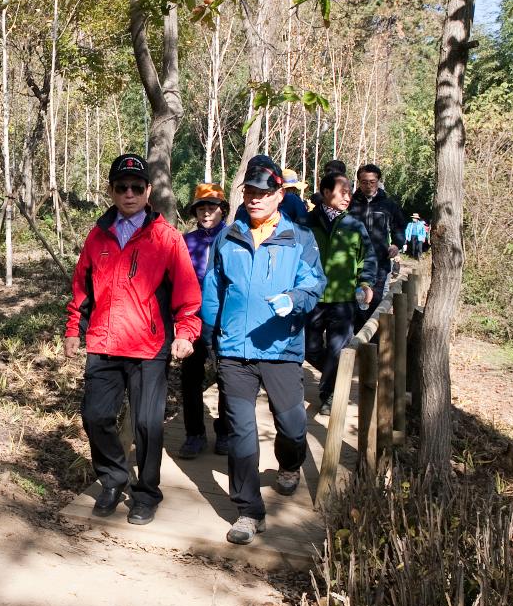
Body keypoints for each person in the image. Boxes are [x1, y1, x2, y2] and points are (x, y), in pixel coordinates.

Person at [65, 153, 203, 525]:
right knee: (95, 416)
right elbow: (81, 288)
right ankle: (112, 479)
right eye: (122, 187)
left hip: (149, 346)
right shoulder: (98, 236)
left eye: (136, 187)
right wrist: (72, 329)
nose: (129, 193)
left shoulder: (166, 238)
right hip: (104, 343)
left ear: (148, 191)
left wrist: (186, 332)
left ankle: (147, 494)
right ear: (111, 191)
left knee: (147, 424)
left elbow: (188, 294)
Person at [200, 154, 325, 546]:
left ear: (279, 195)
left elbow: (314, 284)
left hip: (281, 348)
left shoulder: (299, 238)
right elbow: (213, 287)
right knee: (241, 432)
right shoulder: (229, 235)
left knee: (292, 425)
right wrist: (210, 333)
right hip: (235, 351)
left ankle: (290, 464)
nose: (255, 199)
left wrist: (295, 299)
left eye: (264, 192)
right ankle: (249, 511)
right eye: (250, 192)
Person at [305, 173, 377, 415]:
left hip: (344, 301)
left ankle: (328, 395)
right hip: (312, 299)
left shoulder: (354, 226)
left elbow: (367, 258)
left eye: (349, 192)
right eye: (343, 192)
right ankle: (333, 376)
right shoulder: (306, 224)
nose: (348, 197)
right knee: (310, 348)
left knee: (337, 349)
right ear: (326, 193)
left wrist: (366, 284)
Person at [178, 183, 230, 459]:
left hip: (224, 318)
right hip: (192, 319)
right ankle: (194, 434)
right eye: (202, 208)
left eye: (212, 207)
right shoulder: (187, 241)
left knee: (226, 377)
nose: (207, 212)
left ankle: (224, 432)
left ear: (222, 210)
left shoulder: (233, 238)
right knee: (190, 377)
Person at [349, 164, 407, 323]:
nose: (368, 185)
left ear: (378, 181)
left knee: (375, 300)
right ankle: (355, 340)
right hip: (353, 261)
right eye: (364, 182)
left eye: (372, 182)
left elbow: (400, 226)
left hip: (380, 260)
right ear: (359, 182)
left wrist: (396, 244)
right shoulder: (350, 204)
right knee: (354, 301)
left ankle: (369, 340)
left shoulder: (388, 205)